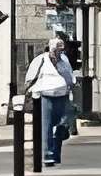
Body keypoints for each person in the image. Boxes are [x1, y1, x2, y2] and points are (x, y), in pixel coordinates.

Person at [25, 30, 76, 166]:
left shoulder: (63, 61)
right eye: (56, 49)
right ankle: (47, 154)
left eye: (60, 50)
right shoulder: (40, 59)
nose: (58, 52)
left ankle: (56, 154)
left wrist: (70, 90)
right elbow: (30, 77)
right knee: (46, 126)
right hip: (45, 96)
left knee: (60, 126)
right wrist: (31, 91)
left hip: (62, 95)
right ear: (49, 49)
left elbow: (69, 77)